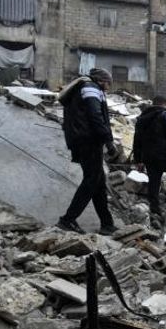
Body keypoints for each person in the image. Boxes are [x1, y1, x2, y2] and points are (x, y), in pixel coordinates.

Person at [56, 67, 119, 235]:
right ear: (102, 81)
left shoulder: (84, 87)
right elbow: (95, 116)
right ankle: (67, 220)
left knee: (98, 182)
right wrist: (108, 141)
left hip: (81, 139)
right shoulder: (91, 88)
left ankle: (107, 224)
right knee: (92, 180)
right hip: (88, 140)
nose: (108, 87)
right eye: (109, 83)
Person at [133, 95, 166, 216]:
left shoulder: (142, 118)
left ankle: (155, 210)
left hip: (148, 158)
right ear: (164, 104)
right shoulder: (164, 115)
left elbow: (137, 140)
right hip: (165, 156)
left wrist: (138, 160)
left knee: (154, 183)